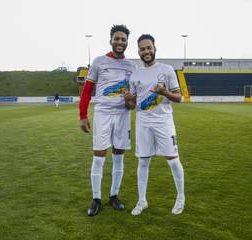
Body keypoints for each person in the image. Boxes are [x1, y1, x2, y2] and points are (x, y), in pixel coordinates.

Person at [123, 34, 185, 215]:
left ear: (155, 49)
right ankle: (142, 201)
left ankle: (180, 198)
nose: (146, 51)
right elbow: (132, 106)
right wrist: (128, 100)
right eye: (142, 49)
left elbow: (179, 98)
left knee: (173, 161)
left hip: (164, 123)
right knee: (143, 162)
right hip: (143, 123)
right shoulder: (135, 75)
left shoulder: (167, 69)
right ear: (139, 52)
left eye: (149, 48)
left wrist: (165, 92)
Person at [79, 24, 137, 216]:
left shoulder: (132, 66)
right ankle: (96, 199)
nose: (120, 42)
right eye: (117, 38)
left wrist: (131, 102)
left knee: (119, 157)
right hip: (102, 115)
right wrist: (83, 116)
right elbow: (87, 91)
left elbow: (133, 99)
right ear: (110, 40)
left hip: (122, 116)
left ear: (127, 42)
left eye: (123, 39)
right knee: (99, 158)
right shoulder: (98, 62)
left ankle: (114, 195)